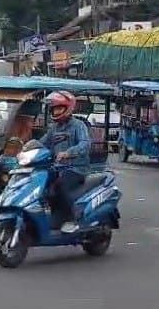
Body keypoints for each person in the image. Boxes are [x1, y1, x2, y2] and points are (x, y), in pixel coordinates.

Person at [39, 91, 91, 233]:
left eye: (59, 108)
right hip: (57, 168)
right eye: (54, 109)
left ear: (68, 108)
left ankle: (72, 219)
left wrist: (68, 153)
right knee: (45, 188)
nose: (56, 111)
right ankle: (57, 217)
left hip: (76, 168)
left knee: (62, 186)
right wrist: (25, 148)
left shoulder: (78, 125)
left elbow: (85, 144)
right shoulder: (54, 128)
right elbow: (42, 143)